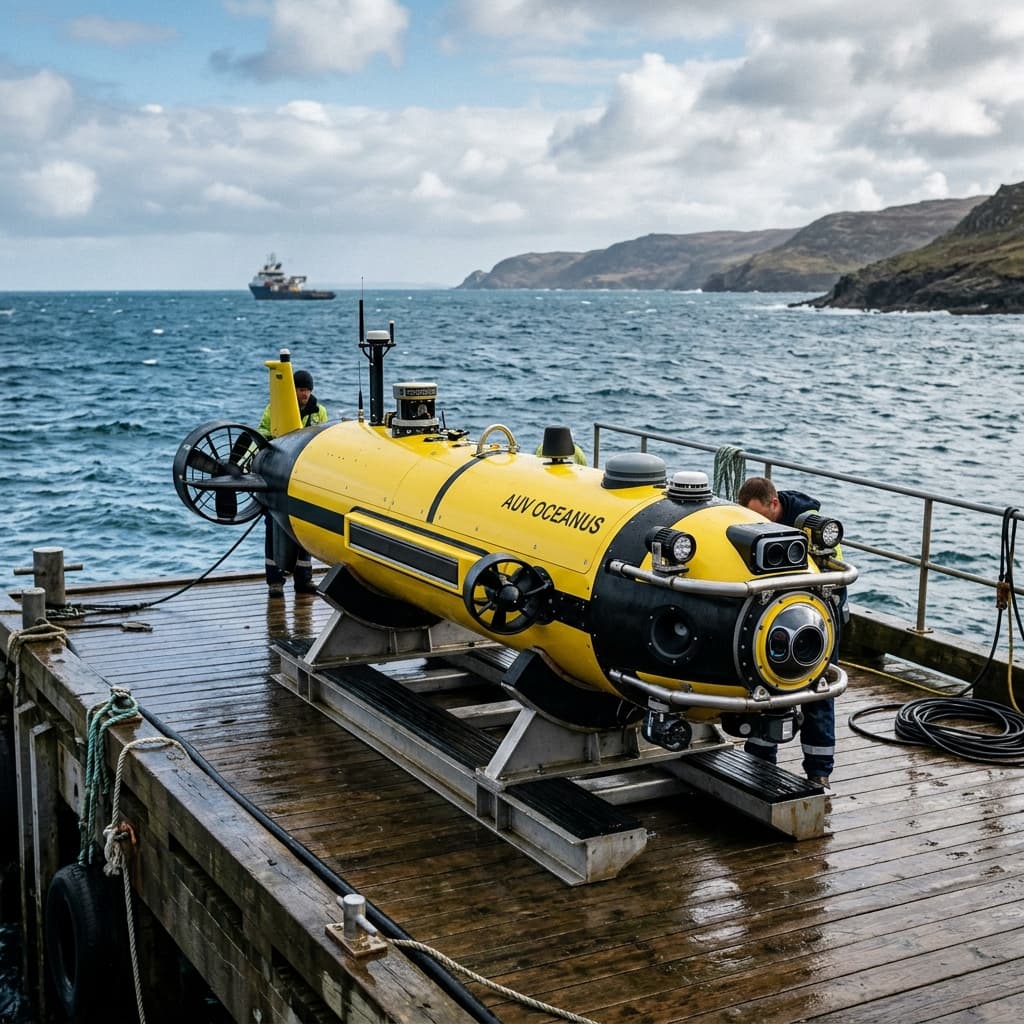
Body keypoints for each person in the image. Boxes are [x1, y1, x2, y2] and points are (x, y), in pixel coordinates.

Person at [736, 475, 847, 789]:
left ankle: (819, 771)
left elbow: (833, 575)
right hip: (773, 620)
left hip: (817, 619)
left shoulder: (810, 527)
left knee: (819, 694)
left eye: (760, 517)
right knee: (764, 688)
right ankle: (757, 761)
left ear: (775, 504)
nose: (756, 524)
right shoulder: (754, 522)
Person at [258, 369, 328, 597]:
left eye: (307, 390)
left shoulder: (320, 413)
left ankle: (304, 579)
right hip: (278, 479)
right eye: (301, 389)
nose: (305, 394)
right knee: (274, 527)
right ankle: (275, 581)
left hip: (304, 481)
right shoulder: (273, 410)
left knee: (303, 529)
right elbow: (261, 436)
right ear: (293, 391)